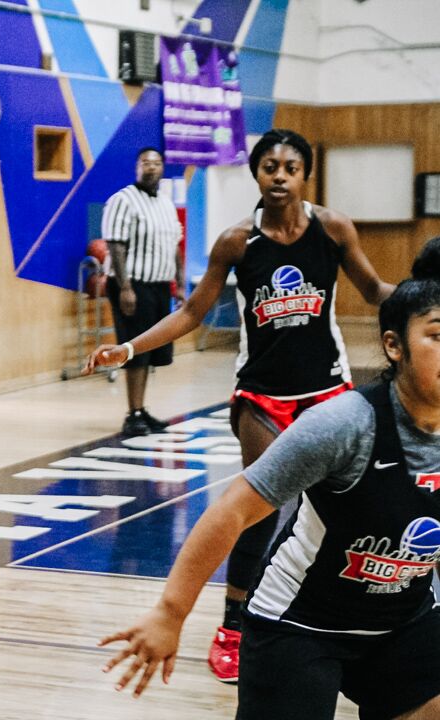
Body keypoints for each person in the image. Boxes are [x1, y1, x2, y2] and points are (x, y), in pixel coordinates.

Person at [85, 129, 394, 682]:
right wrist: (128, 346)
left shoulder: (333, 229)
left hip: (328, 390)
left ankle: (342, 613)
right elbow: (191, 313)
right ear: (257, 173)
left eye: (290, 167)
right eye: (269, 166)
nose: (279, 175)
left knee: (351, 505)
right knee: (263, 505)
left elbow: (375, 292)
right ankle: (232, 625)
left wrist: (426, 296)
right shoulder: (236, 242)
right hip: (261, 397)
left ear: (305, 175)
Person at [98, 237, 440, 719]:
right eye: (438, 336)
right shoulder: (345, 424)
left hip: (405, 620)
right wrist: (170, 614)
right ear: (394, 345)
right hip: (300, 623)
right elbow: (232, 509)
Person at [100, 147, 186, 437]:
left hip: (160, 285)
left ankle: (141, 409)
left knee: (152, 350)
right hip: (133, 285)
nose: (151, 167)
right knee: (134, 349)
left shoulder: (165, 203)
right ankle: (132, 413)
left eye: (157, 163)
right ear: (137, 167)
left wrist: (180, 283)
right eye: (145, 163)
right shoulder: (122, 200)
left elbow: (175, 243)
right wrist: (125, 287)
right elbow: (116, 245)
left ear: (163, 168)